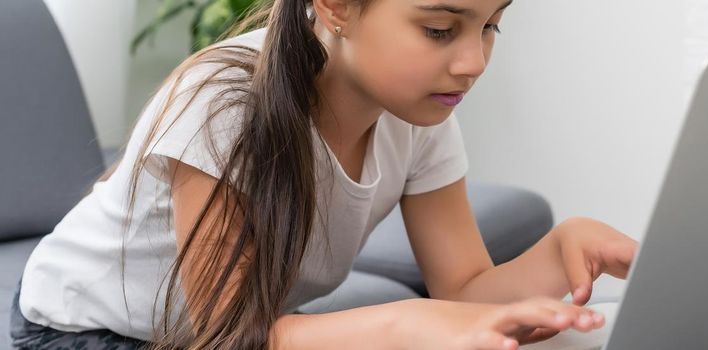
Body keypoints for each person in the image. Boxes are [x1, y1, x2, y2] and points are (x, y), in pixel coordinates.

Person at [10, 0, 638, 349]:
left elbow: (465, 290)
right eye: (440, 29)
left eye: (491, 24)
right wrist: (401, 322)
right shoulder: (224, 100)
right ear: (336, 5)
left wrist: (561, 253)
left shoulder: (420, 112)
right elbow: (230, 337)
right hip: (88, 333)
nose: (473, 61)